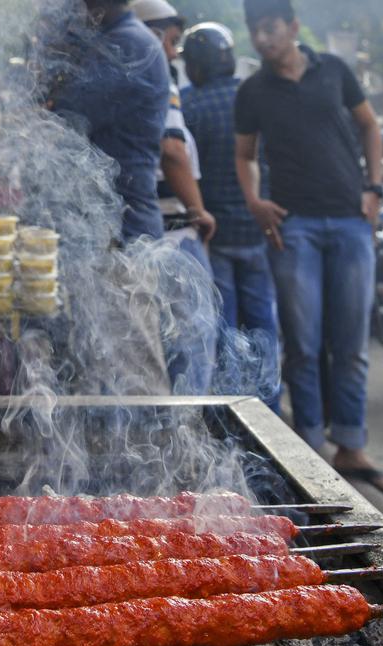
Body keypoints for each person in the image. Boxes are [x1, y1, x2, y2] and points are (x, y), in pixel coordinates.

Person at [234, 0, 383, 499]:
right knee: (303, 346)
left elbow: (369, 125)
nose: (262, 40)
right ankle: (309, 448)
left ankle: (350, 443)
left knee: (350, 342)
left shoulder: (334, 71)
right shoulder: (253, 90)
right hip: (294, 227)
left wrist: (374, 188)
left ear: (292, 27)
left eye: (269, 29)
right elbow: (244, 155)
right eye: (254, 32)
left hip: (351, 220)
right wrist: (255, 203)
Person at [181, 21, 279, 405]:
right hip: (259, 233)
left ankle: (233, 414)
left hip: (215, 237)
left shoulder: (189, 106)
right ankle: (269, 407)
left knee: (224, 333)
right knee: (263, 329)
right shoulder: (256, 99)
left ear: (198, 65)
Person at [132, 0, 218, 395]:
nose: (172, 52)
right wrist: (198, 211)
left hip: (143, 236)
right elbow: (173, 151)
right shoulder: (157, 75)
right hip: (172, 232)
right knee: (191, 346)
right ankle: (188, 439)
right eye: (170, 41)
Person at [50, 0, 169, 242]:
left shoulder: (128, 43)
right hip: (111, 220)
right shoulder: (117, 39)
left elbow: (67, 116)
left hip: (125, 226)